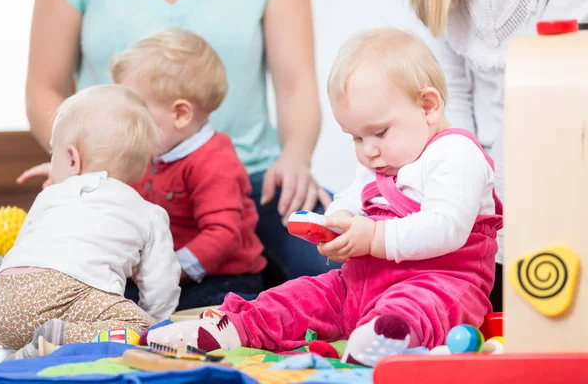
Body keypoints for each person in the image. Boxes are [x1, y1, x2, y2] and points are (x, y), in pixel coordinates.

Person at [139, 28, 503, 366]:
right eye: (356, 138)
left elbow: (447, 228)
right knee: (299, 295)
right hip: (358, 285)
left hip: (438, 281)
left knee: (420, 308)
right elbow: (351, 197)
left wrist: (373, 237)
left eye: (378, 132)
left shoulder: (456, 154)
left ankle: (388, 339)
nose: (368, 151)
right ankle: (230, 329)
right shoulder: (387, 159)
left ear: (428, 107)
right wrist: (335, 222)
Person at [18, 0, 338, 288]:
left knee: (341, 264)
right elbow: (44, 89)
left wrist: (295, 156)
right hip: (122, 181)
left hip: (259, 180)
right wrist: (84, 163)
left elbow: (296, 86)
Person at [408, 0, 588, 312]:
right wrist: (457, 173)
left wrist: (487, 215)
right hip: (480, 158)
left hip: (549, 150)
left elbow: (531, 102)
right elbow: (449, 95)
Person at [0, 85, 181, 359]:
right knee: (143, 329)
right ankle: (60, 336)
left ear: (72, 159)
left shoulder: (49, 195)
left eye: (52, 154)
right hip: (63, 294)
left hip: (2, 306)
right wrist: (154, 319)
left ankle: (28, 337)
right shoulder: (147, 212)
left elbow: (22, 248)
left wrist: (10, 324)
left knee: (42, 313)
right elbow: (161, 284)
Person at [110, 28, 267, 309]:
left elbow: (223, 235)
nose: (126, 123)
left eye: (136, 113)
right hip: (158, 272)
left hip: (221, 277)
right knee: (113, 304)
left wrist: (170, 270)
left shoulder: (214, 161)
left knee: (217, 317)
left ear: (180, 114)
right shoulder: (150, 147)